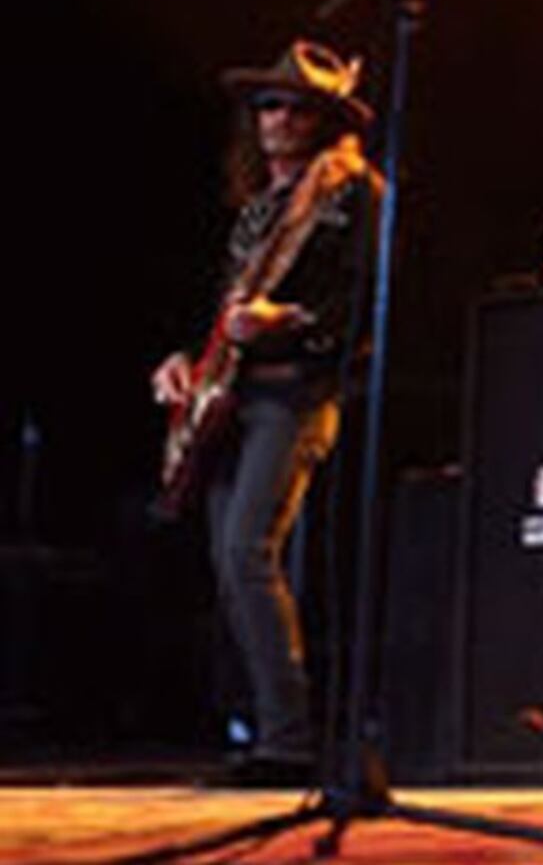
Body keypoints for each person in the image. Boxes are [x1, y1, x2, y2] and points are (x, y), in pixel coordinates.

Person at [149, 39, 383, 787]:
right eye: (266, 105)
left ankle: (289, 742)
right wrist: (184, 360)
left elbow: (362, 308)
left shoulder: (352, 195)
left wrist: (291, 321)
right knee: (230, 562)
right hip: (232, 396)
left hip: (296, 392)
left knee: (248, 551)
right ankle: (258, 729)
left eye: (293, 107)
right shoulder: (254, 212)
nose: (276, 118)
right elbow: (222, 309)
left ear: (324, 119)